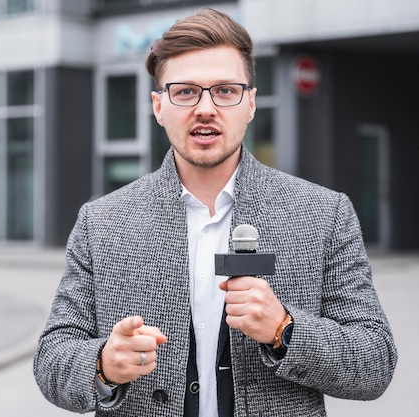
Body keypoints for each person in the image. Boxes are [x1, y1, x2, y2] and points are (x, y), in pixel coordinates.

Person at [33, 7, 397, 417]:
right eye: (185, 91)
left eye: (225, 90)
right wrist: (102, 364)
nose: (205, 108)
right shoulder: (101, 223)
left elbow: (375, 362)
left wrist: (285, 330)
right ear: (158, 106)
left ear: (251, 104)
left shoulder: (324, 215)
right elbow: (52, 359)